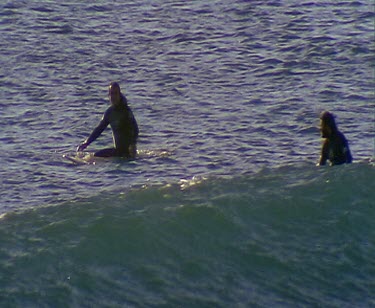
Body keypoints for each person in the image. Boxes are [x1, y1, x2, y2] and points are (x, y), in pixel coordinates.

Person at [77, 82, 139, 159]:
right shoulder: (110, 112)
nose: (113, 96)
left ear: (119, 95)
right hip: (118, 151)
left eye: (115, 93)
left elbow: (135, 129)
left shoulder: (126, 111)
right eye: (111, 94)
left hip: (128, 152)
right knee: (97, 155)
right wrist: (86, 143)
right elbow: (99, 129)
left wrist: (133, 144)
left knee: (96, 157)